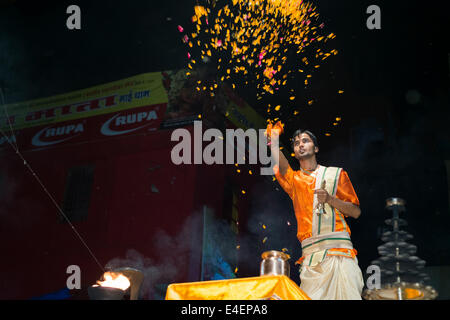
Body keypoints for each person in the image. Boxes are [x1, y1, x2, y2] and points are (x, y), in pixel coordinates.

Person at [267, 122, 364, 300]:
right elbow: (282, 167)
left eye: (305, 140)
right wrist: (273, 141)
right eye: (296, 143)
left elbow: (356, 212)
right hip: (312, 262)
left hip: (340, 255)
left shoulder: (336, 175)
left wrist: (330, 199)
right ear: (294, 152)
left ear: (316, 148)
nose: (300, 144)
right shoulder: (294, 181)